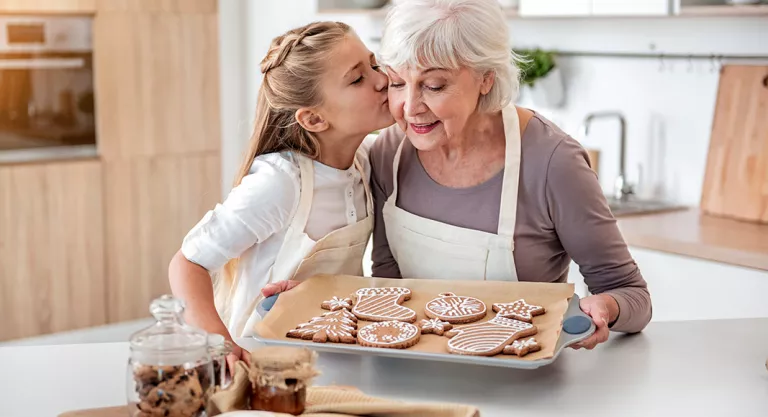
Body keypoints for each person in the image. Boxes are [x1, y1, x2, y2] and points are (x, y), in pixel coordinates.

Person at [369, 0, 652, 350]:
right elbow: (386, 279)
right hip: (409, 375)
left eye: (434, 86)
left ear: (486, 78)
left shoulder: (553, 163)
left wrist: (606, 306)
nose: (410, 107)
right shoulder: (389, 154)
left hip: (523, 384)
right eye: (397, 83)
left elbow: (632, 294)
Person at [168, 21, 394, 368]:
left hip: (335, 355)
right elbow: (187, 264)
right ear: (314, 119)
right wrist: (219, 344)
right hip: (263, 361)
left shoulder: (366, 160)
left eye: (374, 64)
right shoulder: (280, 183)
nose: (382, 80)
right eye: (357, 78)